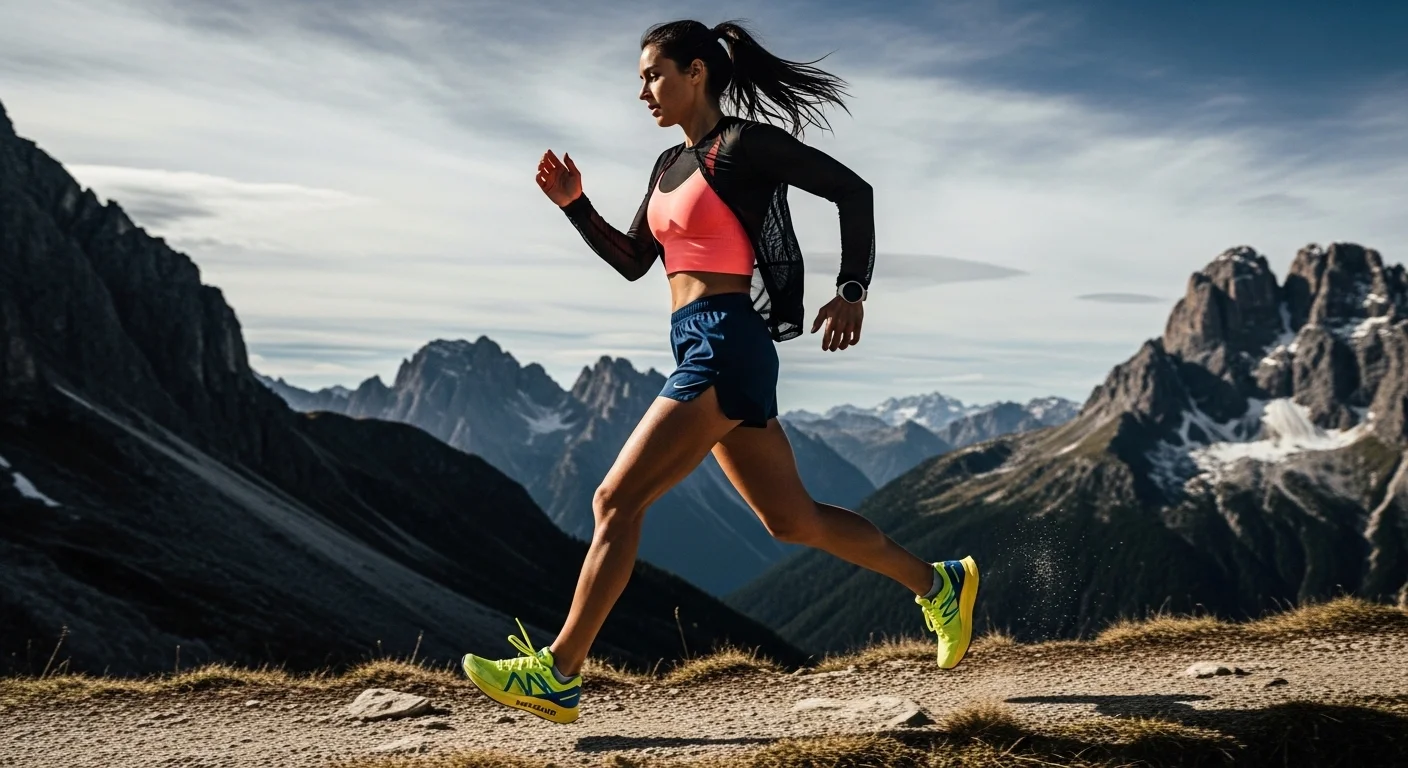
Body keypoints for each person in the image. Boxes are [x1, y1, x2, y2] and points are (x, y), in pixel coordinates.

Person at [461, 18, 979, 724]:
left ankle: (558, 673)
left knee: (614, 501)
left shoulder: (743, 145)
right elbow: (634, 262)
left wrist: (853, 289)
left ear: (696, 71)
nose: (643, 91)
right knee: (792, 521)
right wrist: (575, 206)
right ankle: (938, 585)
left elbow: (853, 191)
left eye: (654, 75)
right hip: (696, 342)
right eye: (641, 79)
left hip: (726, 342)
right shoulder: (666, 165)